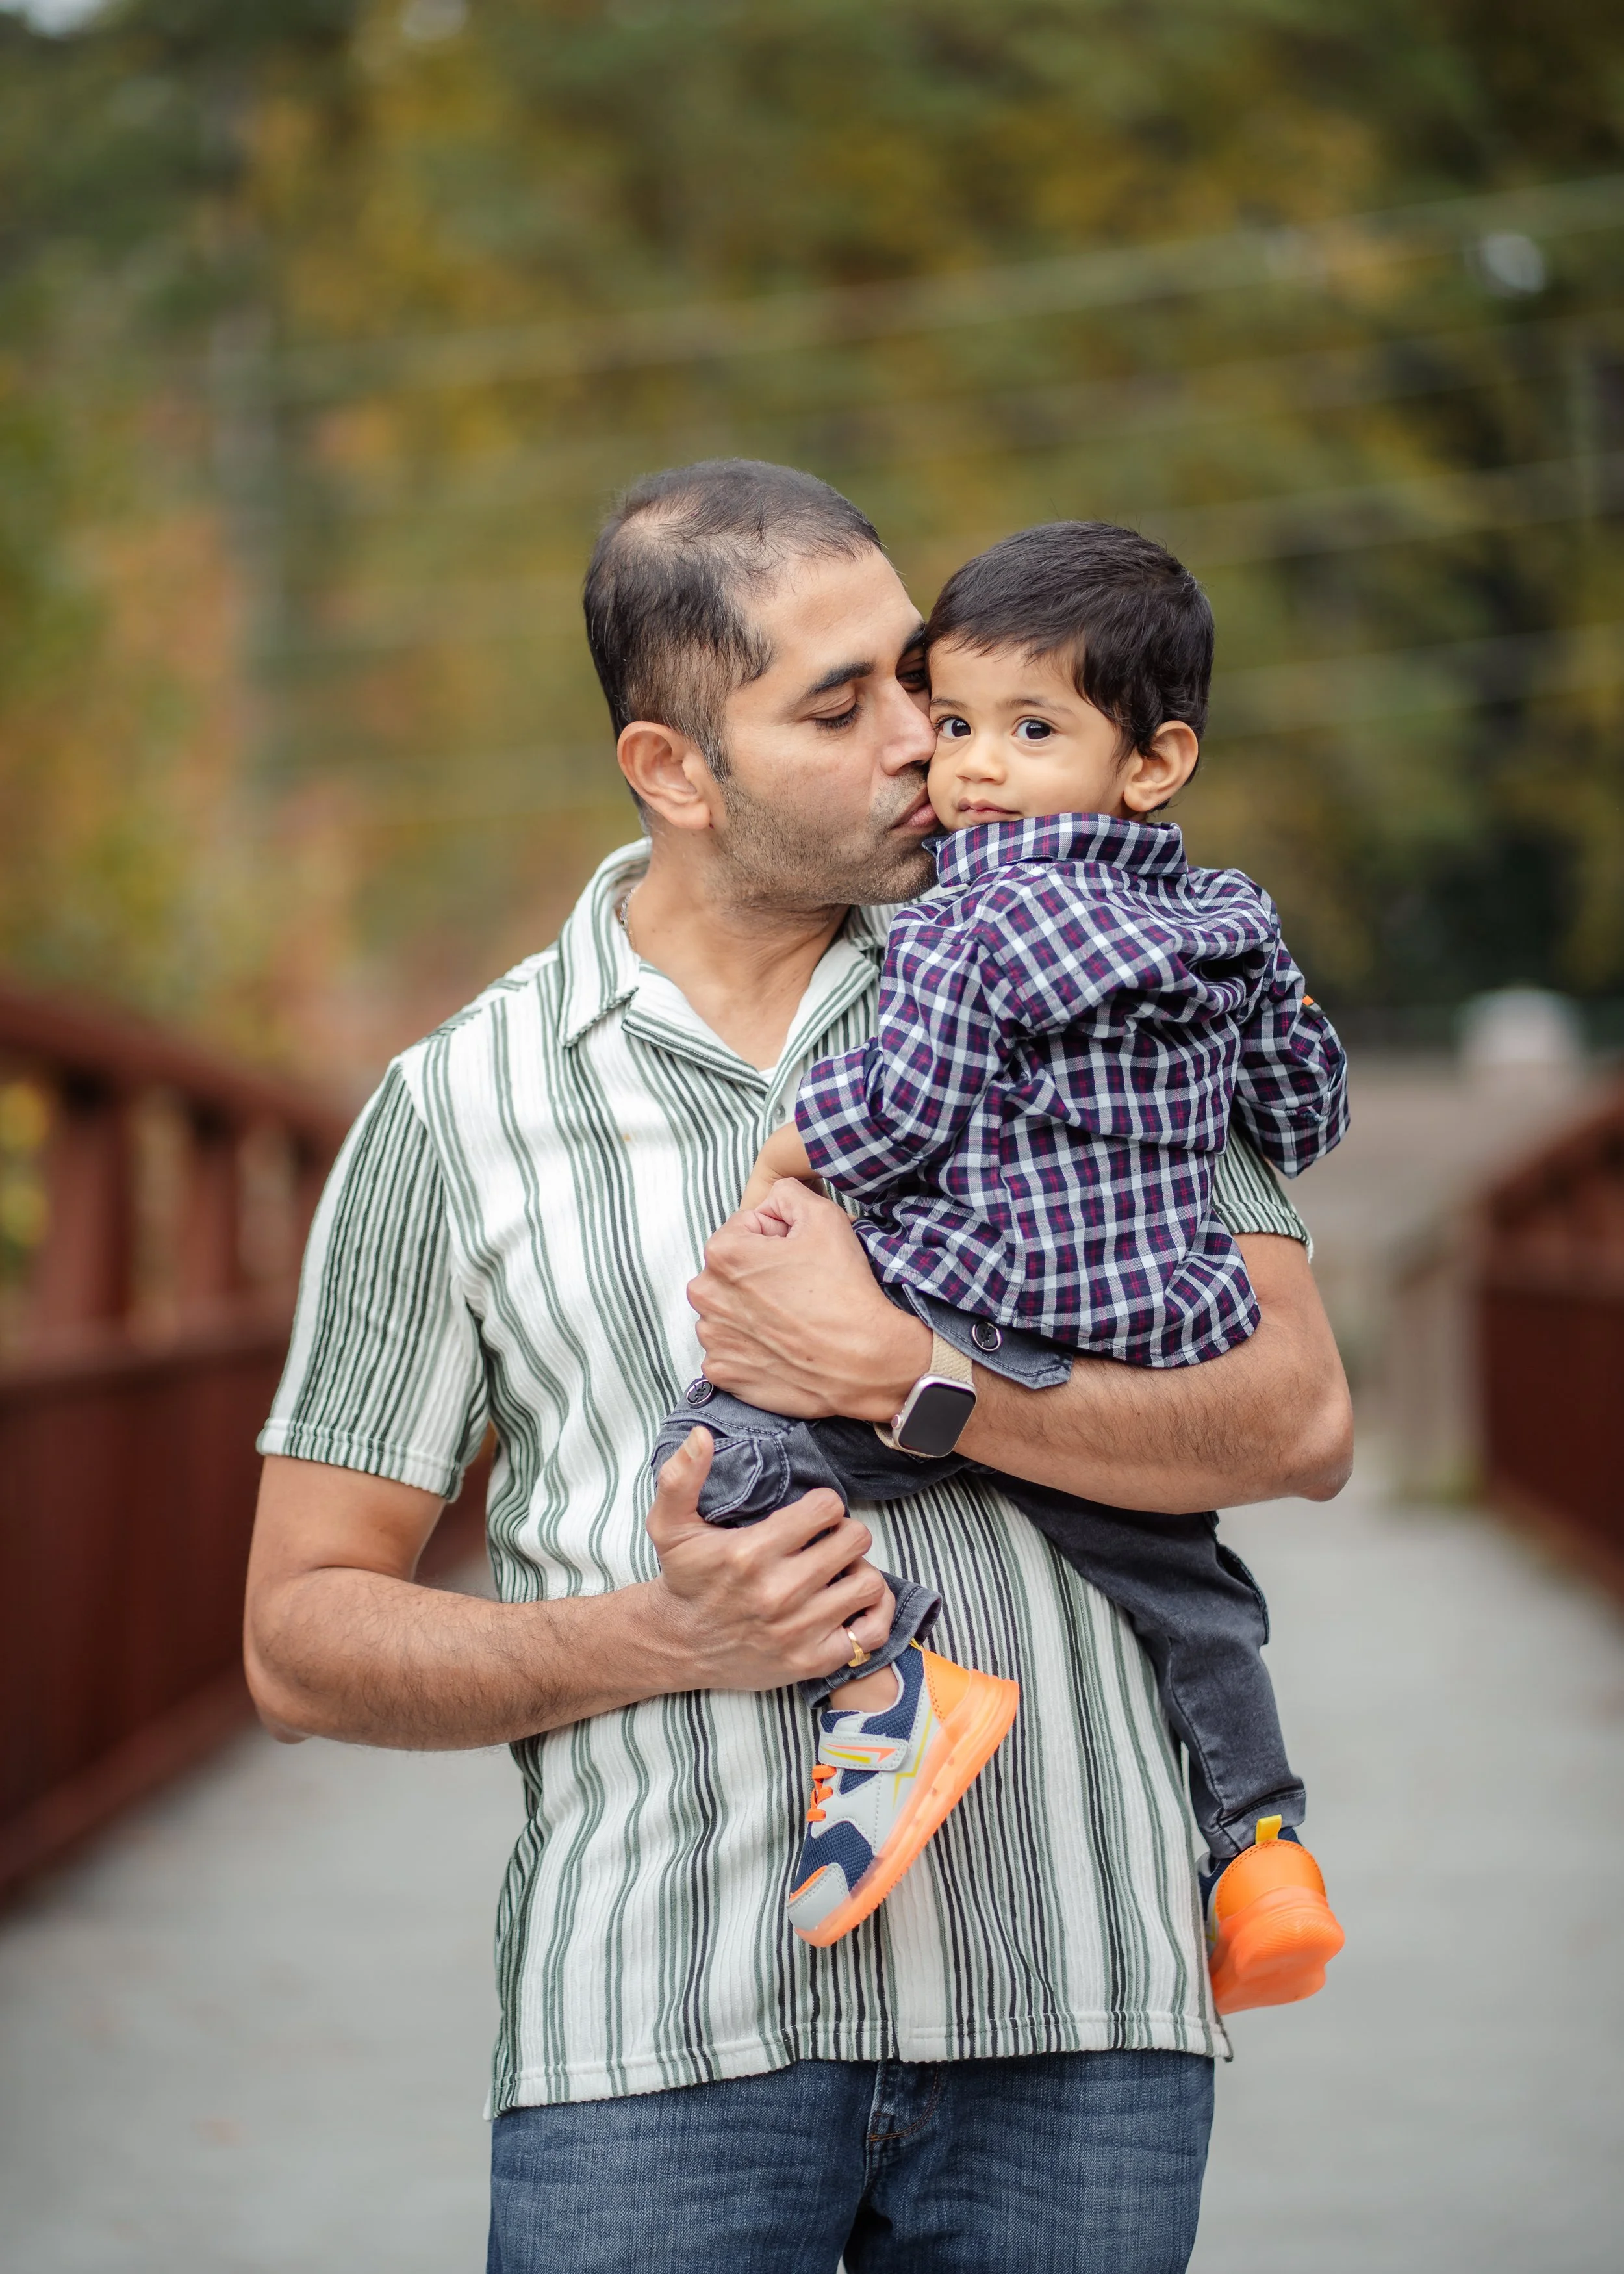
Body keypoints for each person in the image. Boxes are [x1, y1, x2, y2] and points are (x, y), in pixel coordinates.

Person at [246, 459, 1353, 2274]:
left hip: (1077, 2000)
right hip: (658, 2032)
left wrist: (915, 1374)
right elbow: (298, 1636)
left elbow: (1299, 1418)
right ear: (674, 770)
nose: (924, 738)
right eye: (838, 710)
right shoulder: (457, 1110)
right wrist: (660, 1636)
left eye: (916, 677)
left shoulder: (1100, 957)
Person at [646, 520, 1348, 2010]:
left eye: (1026, 731)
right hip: (1155, 1324)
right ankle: (1261, 1847)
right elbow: (1303, 1107)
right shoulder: (1224, 920)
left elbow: (908, 1105)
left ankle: (890, 1682)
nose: (963, 766)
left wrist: (791, 1154)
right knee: (1191, 1595)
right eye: (954, 722)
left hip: (976, 1296)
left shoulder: (969, 912)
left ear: (1151, 761)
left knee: (717, 1458)